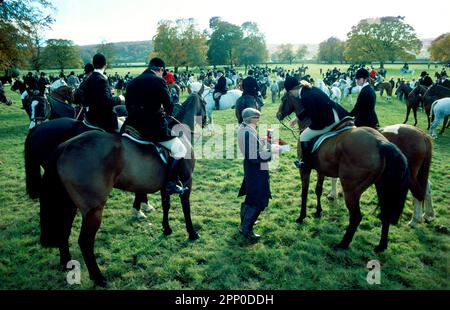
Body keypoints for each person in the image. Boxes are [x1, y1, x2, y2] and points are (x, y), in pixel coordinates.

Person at [122, 57, 188, 195]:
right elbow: (169, 105)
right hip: (152, 127)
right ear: (160, 69)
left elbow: (127, 106)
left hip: (131, 126)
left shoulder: (132, 81)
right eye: (162, 73)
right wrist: (167, 113)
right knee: (180, 149)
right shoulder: (159, 80)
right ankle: (170, 183)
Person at [284, 77, 349, 170]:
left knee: (304, 136)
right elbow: (310, 107)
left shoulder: (304, 97)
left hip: (328, 121)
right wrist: (297, 118)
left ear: (292, 90)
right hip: (338, 114)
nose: (292, 95)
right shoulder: (310, 88)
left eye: (290, 93)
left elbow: (315, 119)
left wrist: (307, 129)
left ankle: (306, 163)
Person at [237, 108, 278, 240]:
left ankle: (244, 223)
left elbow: (253, 148)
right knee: (259, 199)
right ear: (250, 118)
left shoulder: (245, 128)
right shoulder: (247, 132)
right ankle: (247, 229)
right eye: (257, 118)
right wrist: (273, 152)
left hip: (252, 169)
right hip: (256, 169)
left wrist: (266, 142)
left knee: (251, 196)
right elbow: (254, 157)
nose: (259, 120)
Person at [80, 53, 124, 132]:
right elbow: (106, 101)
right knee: (126, 130)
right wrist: (119, 98)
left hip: (90, 116)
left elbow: (85, 98)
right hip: (103, 119)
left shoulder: (88, 79)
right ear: (105, 65)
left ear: (93, 65)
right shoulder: (102, 80)